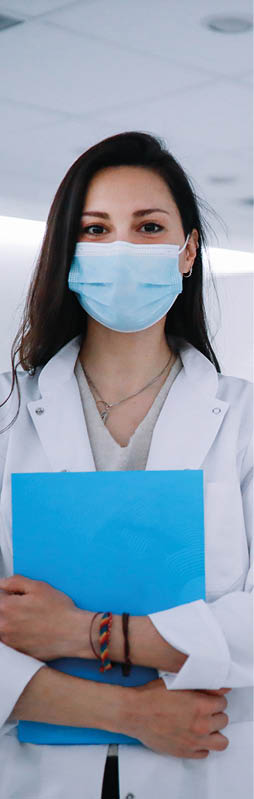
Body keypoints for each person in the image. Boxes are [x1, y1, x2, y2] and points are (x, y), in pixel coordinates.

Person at [0, 131, 252, 799]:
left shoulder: (245, 422)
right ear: (69, 254)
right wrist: (131, 712)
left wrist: (85, 632)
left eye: (148, 227)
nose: (122, 250)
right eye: (96, 229)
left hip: (207, 764)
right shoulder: (5, 414)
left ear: (188, 249)